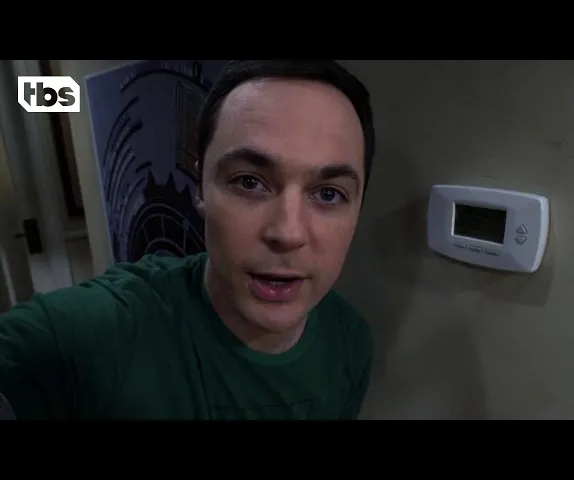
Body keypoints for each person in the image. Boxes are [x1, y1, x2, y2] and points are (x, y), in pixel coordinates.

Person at [0, 59, 376, 420]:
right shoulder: (103, 333)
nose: (288, 233)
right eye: (249, 182)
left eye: (328, 194)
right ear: (199, 187)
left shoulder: (350, 342)